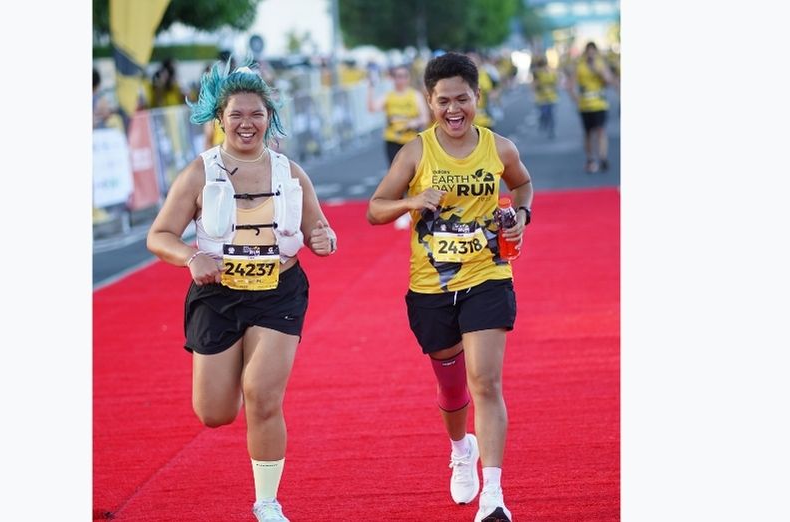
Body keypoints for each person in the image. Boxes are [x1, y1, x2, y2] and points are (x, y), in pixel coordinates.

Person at [146, 57, 338, 522]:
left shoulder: (290, 172)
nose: (247, 123)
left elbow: (321, 231)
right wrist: (191, 257)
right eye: (237, 115)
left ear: (270, 117)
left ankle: (267, 503)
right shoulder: (199, 173)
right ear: (220, 119)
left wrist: (324, 240)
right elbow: (159, 235)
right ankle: (226, 379)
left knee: (262, 395)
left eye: (256, 114)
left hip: (280, 291)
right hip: (219, 294)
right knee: (214, 413)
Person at [366, 52, 533, 522]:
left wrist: (521, 216)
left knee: (485, 380)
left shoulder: (499, 148)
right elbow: (375, 209)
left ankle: (493, 496)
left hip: (488, 275)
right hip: (431, 286)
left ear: (477, 97)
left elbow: (522, 185)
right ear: (429, 101)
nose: (454, 110)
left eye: (463, 99)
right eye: (444, 101)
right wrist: (412, 200)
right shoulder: (415, 152)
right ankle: (461, 448)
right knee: (452, 385)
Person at [565, 41, 617, 173]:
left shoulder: (600, 65)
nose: (590, 54)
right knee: (588, 133)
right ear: (585, 52)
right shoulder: (580, 66)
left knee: (600, 131)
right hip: (585, 106)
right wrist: (575, 98)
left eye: (593, 52)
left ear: (596, 52)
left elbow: (609, 81)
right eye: (588, 52)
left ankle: (603, 158)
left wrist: (598, 71)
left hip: (600, 104)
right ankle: (590, 159)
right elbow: (570, 85)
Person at [367, 64, 430, 166]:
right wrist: (370, 88)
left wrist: (415, 122)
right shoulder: (388, 96)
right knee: (395, 171)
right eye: (398, 76)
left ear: (408, 78)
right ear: (393, 78)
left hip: (410, 140)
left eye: (404, 76)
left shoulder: (415, 96)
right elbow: (372, 108)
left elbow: (425, 118)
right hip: (392, 140)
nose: (401, 79)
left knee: (412, 171)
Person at [531, 56, 558, 139]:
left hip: (551, 97)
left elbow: (555, 83)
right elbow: (534, 85)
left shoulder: (551, 72)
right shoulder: (537, 74)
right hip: (541, 98)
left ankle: (551, 130)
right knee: (544, 113)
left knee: (551, 114)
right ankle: (543, 122)